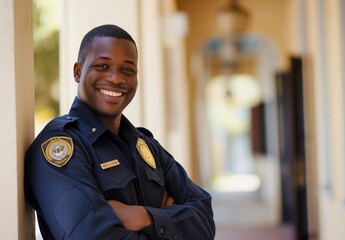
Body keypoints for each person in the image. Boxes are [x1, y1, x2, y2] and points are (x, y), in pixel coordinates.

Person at [24, 24, 215, 240]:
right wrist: (169, 219)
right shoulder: (60, 148)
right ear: (78, 72)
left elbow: (205, 219)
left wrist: (146, 217)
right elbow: (90, 236)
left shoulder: (145, 146)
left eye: (127, 69)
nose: (116, 78)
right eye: (103, 65)